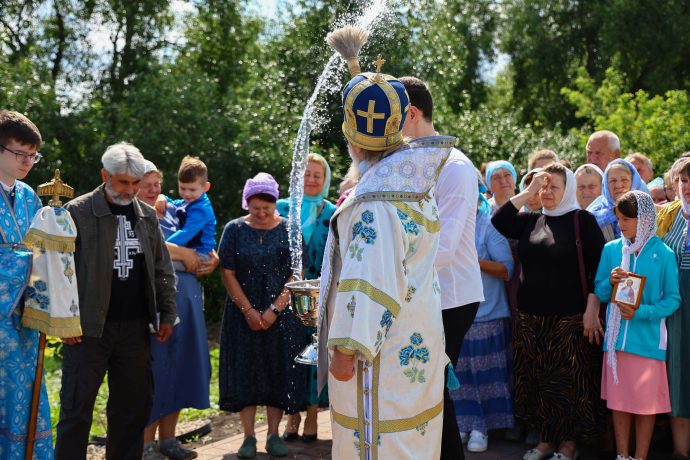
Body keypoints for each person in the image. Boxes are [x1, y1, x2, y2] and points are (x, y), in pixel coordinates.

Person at [317, 61, 450, 459]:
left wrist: (344, 351)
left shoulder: (375, 203)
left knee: (380, 446)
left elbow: (370, 279)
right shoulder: (413, 184)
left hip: (382, 358)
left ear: (353, 141)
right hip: (416, 339)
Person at [55, 142, 177, 459]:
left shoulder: (146, 215)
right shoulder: (77, 212)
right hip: (87, 329)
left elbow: (162, 268)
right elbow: (60, 271)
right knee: (76, 408)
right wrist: (64, 321)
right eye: (123, 182)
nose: (131, 190)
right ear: (104, 175)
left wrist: (167, 312)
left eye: (136, 183)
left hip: (135, 328)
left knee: (131, 409)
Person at [492, 163, 606, 460]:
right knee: (537, 380)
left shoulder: (582, 221)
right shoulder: (531, 220)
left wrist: (592, 307)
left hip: (569, 317)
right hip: (530, 316)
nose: (547, 192)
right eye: (543, 186)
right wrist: (528, 191)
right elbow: (499, 219)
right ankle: (546, 440)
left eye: (554, 187)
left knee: (566, 382)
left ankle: (568, 444)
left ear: (567, 189)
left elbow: (600, 268)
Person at [400, 75, 483, 460]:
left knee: (432, 390)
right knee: (417, 388)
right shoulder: (406, 162)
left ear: (411, 114)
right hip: (417, 291)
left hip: (450, 296)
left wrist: (393, 275)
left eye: (391, 117)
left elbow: (444, 247)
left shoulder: (454, 166)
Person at [217, 172, 307, 458]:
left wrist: (274, 310)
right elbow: (227, 271)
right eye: (256, 208)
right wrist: (248, 311)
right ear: (247, 203)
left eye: (266, 208)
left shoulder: (290, 229)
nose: (261, 213)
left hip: (280, 315)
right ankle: (248, 437)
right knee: (245, 373)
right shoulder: (234, 229)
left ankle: (273, 435)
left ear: (275, 203)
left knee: (276, 372)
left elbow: (297, 272)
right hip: (242, 315)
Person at [139, 161, 217, 460]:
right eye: (146, 185)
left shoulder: (174, 207)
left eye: (156, 184)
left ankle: (168, 440)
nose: (152, 190)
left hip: (186, 295)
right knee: (156, 369)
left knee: (181, 366)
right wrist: (183, 252)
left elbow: (201, 238)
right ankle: (145, 443)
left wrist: (214, 258)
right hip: (154, 301)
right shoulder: (130, 213)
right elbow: (152, 247)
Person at [594, 190, 680, 460]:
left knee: (645, 406)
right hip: (616, 343)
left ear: (644, 219)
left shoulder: (664, 254)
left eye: (626, 219)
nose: (620, 225)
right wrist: (609, 282)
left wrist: (641, 312)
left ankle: (640, 457)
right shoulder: (611, 250)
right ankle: (622, 455)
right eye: (618, 218)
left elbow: (673, 299)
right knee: (619, 403)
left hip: (648, 342)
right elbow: (600, 293)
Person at [0, 110, 53, 458]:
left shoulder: (30, 196)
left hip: (26, 317)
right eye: (20, 153)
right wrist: (27, 260)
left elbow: (39, 249)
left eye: (33, 155)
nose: (28, 162)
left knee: (27, 393)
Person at [452, 175, 514, 453]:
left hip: (486, 313)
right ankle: (464, 423)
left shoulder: (489, 225)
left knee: (485, 376)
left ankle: (482, 427)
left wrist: (473, 261)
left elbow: (506, 269)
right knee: (459, 374)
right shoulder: (444, 222)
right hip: (453, 311)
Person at [277, 153, 336, 442]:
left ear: (325, 180)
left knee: (315, 355)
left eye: (317, 175)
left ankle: (312, 413)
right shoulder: (282, 209)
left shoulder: (333, 212)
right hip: (285, 293)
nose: (311, 179)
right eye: (306, 174)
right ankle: (293, 415)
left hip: (320, 295)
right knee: (289, 355)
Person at [657, 158, 690, 460]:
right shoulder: (668, 214)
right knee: (678, 373)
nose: (687, 186)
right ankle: (681, 451)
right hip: (676, 306)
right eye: (683, 180)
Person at [156, 155, 216, 259]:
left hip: (202, 254)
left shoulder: (201, 209)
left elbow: (186, 233)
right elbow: (173, 203)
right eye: (183, 188)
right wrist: (162, 197)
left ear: (205, 187)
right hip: (191, 251)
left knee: (161, 262)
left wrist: (164, 246)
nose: (187, 194)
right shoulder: (189, 202)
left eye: (192, 190)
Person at [588, 159, 649, 242]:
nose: (618, 185)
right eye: (613, 181)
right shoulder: (593, 217)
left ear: (634, 182)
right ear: (606, 185)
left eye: (624, 180)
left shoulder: (647, 213)